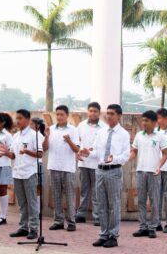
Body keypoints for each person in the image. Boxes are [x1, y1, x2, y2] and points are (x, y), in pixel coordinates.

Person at [79, 104, 130, 248]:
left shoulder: (123, 134)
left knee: (113, 205)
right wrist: (87, 153)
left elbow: (126, 156)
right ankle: (103, 234)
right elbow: (97, 153)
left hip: (114, 171)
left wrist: (113, 158)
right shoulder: (101, 132)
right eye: (107, 113)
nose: (108, 116)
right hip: (100, 170)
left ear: (119, 115)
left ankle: (113, 236)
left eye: (112, 113)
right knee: (101, 204)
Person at [130, 110, 167, 239]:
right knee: (141, 200)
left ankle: (152, 227)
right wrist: (125, 158)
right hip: (141, 171)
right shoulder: (139, 135)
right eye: (143, 120)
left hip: (154, 173)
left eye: (146, 121)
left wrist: (159, 166)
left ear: (153, 122)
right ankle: (142, 227)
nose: (143, 123)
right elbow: (134, 152)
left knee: (154, 200)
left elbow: (165, 154)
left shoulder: (160, 137)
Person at [43, 105, 80, 232]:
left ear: (67, 115)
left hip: (68, 167)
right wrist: (46, 136)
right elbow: (44, 148)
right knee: (56, 195)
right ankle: (58, 221)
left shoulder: (73, 130)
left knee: (69, 195)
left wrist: (69, 141)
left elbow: (77, 149)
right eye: (57, 114)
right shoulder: (51, 129)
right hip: (54, 166)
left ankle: (71, 222)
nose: (59, 117)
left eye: (61, 114)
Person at [8, 109, 43, 240]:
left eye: (20, 118)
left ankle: (33, 229)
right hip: (17, 173)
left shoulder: (35, 135)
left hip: (30, 173)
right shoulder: (15, 136)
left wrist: (28, 152)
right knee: (22, 203)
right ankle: (23, 227)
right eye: (16, 118)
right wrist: (5, 153)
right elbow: (13, 155)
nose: (18, 121)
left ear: (28, 120)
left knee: (32, 202)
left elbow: (40, 154)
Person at [75, 102, 106, 226]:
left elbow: (104, 145)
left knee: (97, 191)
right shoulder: (81, 125)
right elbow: (77, 142)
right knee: (84, 190)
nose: (93, 113)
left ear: (99, 113)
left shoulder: (104, 127)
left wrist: (92, 151)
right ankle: (81, 214)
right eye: (91, 111)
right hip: (83, 163)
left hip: (96, 163)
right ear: (88, 112)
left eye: (95, 111)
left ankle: (97, 216)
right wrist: (77, 151)